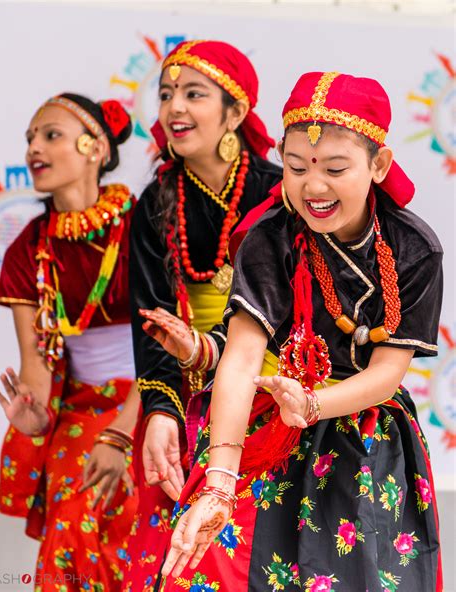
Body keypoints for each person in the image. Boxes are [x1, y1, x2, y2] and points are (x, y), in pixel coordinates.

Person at [159, 71, 443, 592]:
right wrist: (220, 484)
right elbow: (242, 360)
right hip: (268, 428)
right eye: (295, 167)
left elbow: (387, 372)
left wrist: (312, 405)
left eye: (335, 168)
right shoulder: (271, 237)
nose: (313, 186)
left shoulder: (413, 249)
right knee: (219, 569)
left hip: (363, 435)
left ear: (378, 164)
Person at [125, 40, 282, 592]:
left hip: (269, 391)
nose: (174, 108)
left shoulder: (280, 194)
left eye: (194, 94)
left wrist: (211, 348)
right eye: (167, 94)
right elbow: (151, 324)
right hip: (188, 393)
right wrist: (161, 414)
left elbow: (288, 310)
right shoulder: (153, 205)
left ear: (235, 112)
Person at [0, 93, 140, 592]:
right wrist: (35, 419)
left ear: (95, 147)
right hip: (78, 412)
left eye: (49, 135)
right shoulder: (27, 250)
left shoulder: (145, 228)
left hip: (157, 401)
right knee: (74, 515)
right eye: (30, 138)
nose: (34, 147)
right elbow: (35, 370)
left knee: (148, 523)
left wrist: (121, 434)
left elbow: (170, 352)